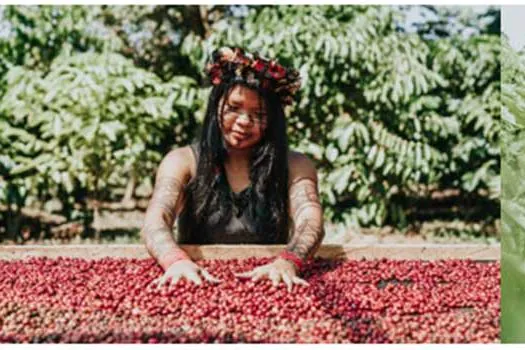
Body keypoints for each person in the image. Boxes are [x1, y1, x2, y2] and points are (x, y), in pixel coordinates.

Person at [141, 47, 325, 292]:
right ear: (216, 107)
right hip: (196, 282)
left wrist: (288, 262)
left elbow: (310, 220)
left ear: (273, 121)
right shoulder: (183, 162)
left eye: (258, 114)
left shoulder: (294, 166)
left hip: (270, 283)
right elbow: (156, 219)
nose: (244, 122)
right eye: (233, 108)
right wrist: (175, 261)